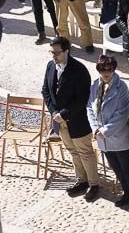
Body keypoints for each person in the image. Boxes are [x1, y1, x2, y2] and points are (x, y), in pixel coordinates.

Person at [41, 36, 100, 200]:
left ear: (67, 51)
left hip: (77, 120)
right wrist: (54, 113)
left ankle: (94, 184)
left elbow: (82, 98)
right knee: (73, 151)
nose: (54, 56)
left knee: (85, 152)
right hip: (59, 121)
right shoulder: (50, 66)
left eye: (57, 53)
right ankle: (82, 181)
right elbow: (46, 90)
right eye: (52, 52)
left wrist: (64, 114)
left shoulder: (79, 70)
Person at [87, 55, 129, 210]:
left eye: (109, 70)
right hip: (103, 139)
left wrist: (105, 130)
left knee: (128, 168)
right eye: (103, 70)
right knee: (117, 168)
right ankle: (127, 193)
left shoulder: (121, 87)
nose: (106, 73)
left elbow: (123, 113)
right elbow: (90, 108)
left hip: (120, 137)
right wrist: (95, 128)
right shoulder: (94, 86)